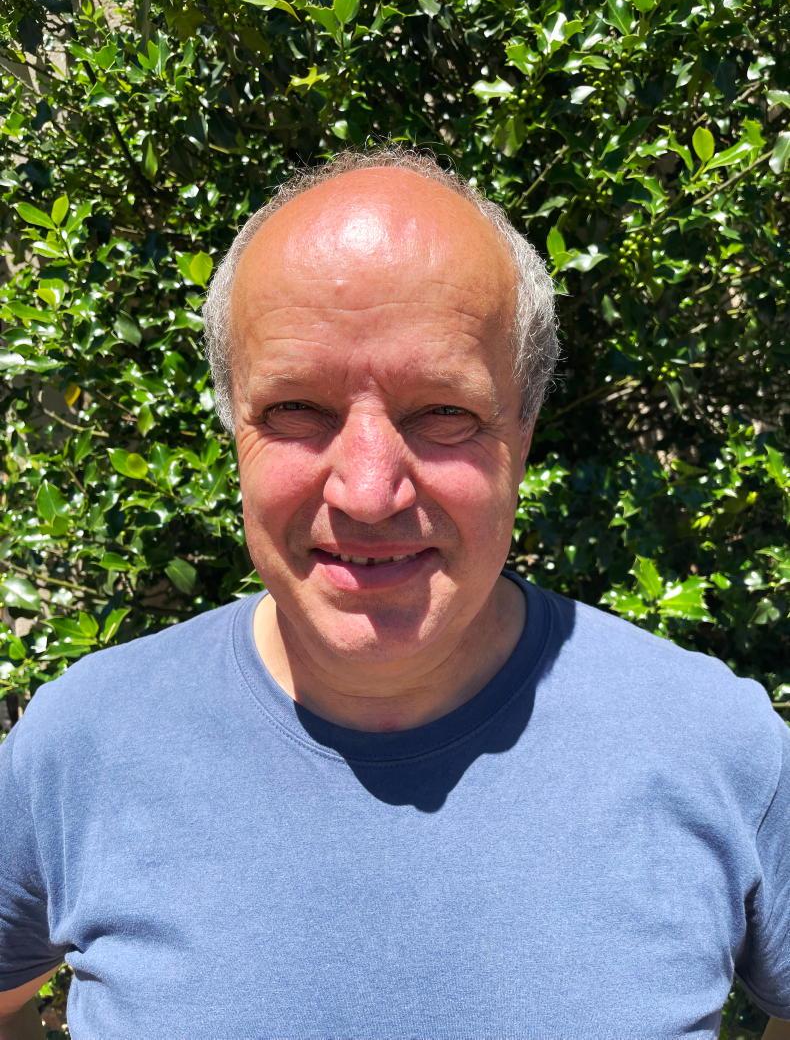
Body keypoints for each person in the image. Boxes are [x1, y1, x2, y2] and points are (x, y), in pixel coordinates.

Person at [0, 148, 788, 1040]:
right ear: (231, 428)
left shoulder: (720, 750)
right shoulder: (82, 744)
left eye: (443, 412)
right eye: (296, 409)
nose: (369, 493)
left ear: (523, 433)